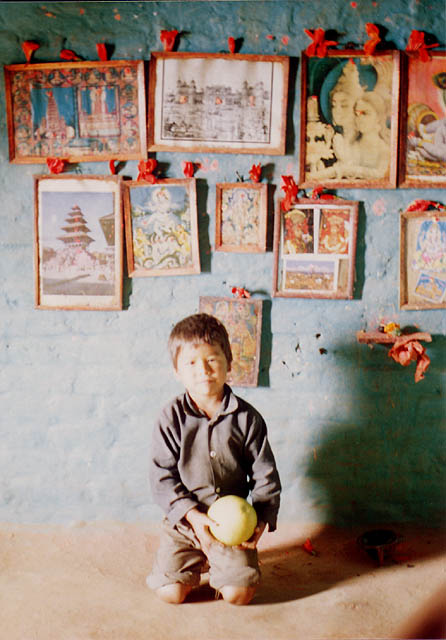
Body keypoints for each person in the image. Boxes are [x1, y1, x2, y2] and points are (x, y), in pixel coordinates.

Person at [147, 313, 281, 605]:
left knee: (237, 595)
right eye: (191, 363)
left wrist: (261, 520)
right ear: (176, 371)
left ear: (228, 363)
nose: (203, 370)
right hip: (185, 523)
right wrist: (193, 517)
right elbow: (162, 478)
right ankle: (198, 558)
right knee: (170, 594)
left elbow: (265, 475)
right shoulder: (170, 418)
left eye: (212, 359)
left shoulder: (248, 418)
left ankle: (224, 562)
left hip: (232, 526)